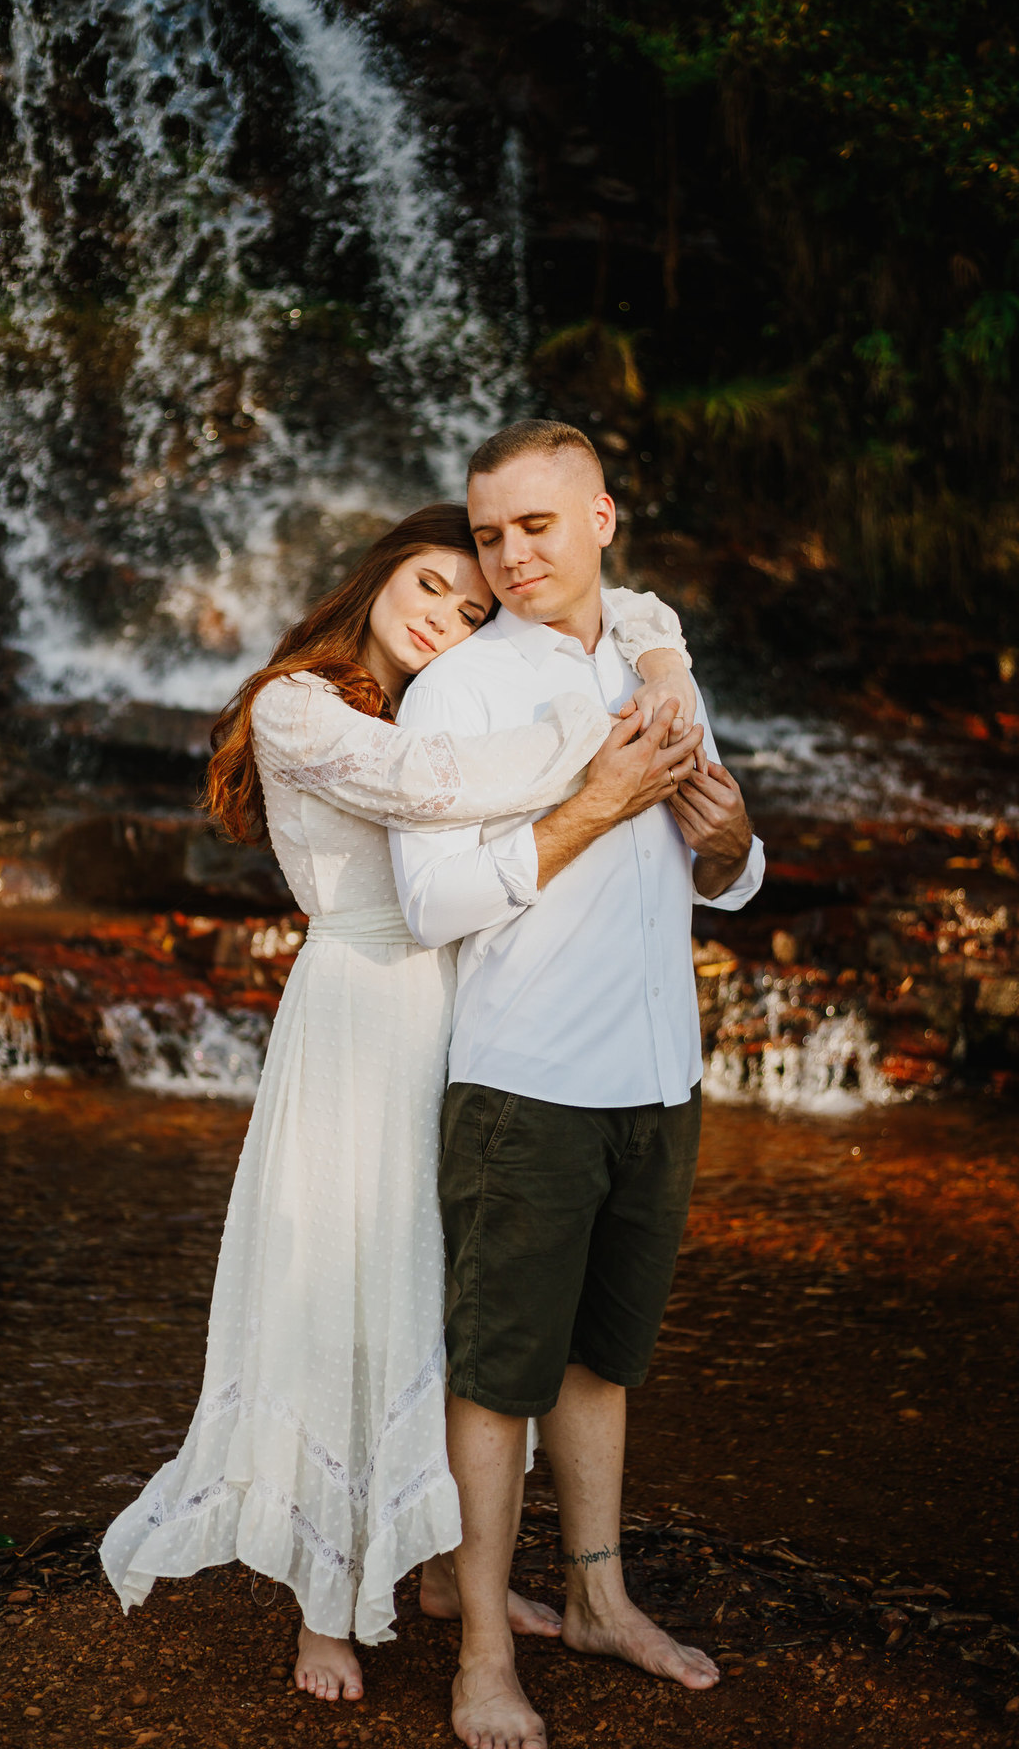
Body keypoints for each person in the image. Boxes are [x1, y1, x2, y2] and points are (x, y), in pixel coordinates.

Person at [100, 502, 697, 1703]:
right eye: (430, 585)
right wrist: (604, 728)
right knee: (347, 1294)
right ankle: (324, 1602)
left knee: (448, 1299)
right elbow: (430, 788)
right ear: (378, 574)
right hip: (361, 1013)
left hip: (464, 1010)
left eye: (471, 608)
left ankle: (436, 1569)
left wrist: (661, 653)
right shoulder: (297, 707)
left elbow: (620, 603)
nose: (446, 618)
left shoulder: (445, 684)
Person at [390, 422, 766, 1749]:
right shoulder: (457, 692)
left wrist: (731, 850)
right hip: (524, 1081)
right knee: (498, 1376)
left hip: (658, 1075)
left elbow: (721, 865)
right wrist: (597, 804)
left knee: (605, 1363)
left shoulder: (655, 662)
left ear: (601, 518)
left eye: (536, 526)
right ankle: (483, 1648)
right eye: (490, 534)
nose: (510, 555)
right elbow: (428, 901)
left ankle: (601, 1600)